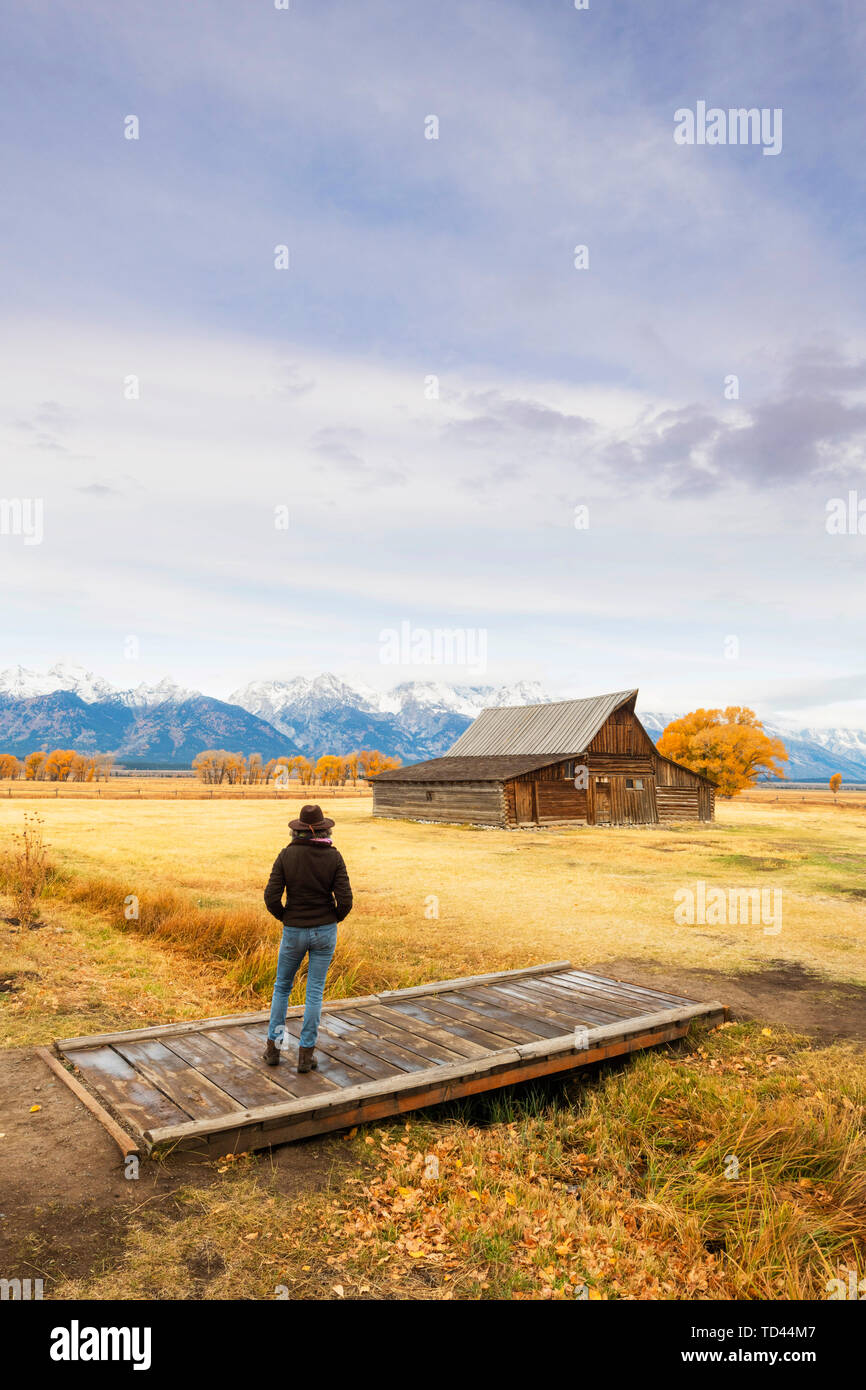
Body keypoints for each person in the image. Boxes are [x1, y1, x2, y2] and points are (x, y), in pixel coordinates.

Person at [262, 803, 353, 1072]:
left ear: (297, 831)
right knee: (314, 992)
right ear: (323, 829)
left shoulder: (286, 856)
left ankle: (273, 1051)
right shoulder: (334, 857)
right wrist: (332, 918)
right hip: (325, 929)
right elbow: (346, 900)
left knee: (282, 988)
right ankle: (305, 1055)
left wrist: (287, 917)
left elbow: (271, 897)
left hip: (294, 930)